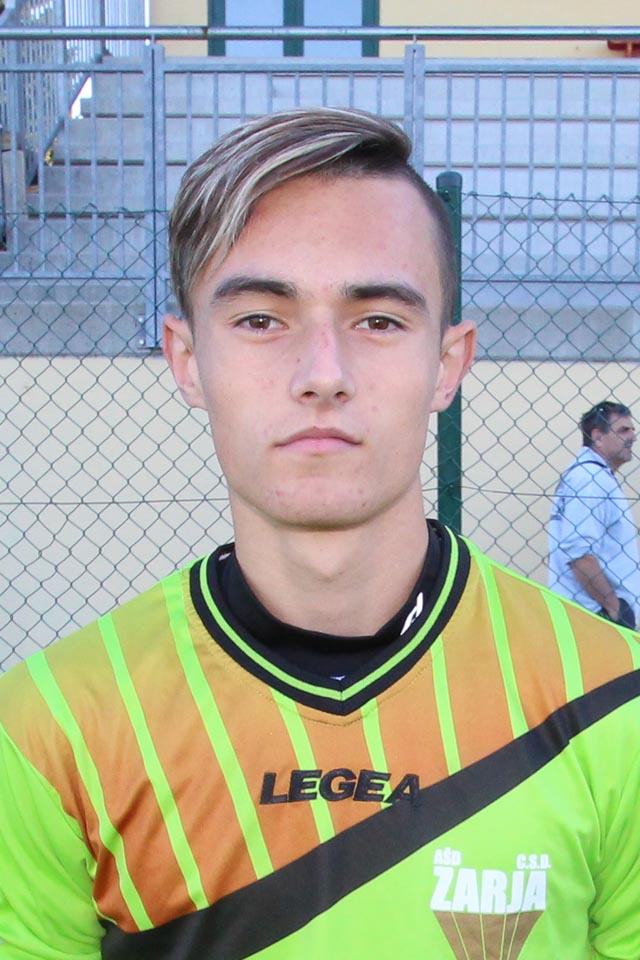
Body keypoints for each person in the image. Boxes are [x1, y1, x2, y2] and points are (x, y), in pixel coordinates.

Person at [1, 108, 639, 960]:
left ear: (447, 363)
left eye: (378, 320)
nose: (323, 375)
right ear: (187, 360)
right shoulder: (48, 725)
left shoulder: (615, 703)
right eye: (261, 319)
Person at [548, 400, 640, 629]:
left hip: (588, 615)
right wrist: (614, 609)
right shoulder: (590, 479)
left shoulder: (590, 475)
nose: (633, 437)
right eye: (623, 430)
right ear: (597, 436)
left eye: (632, 430)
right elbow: (579, 552)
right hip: (595, 618)